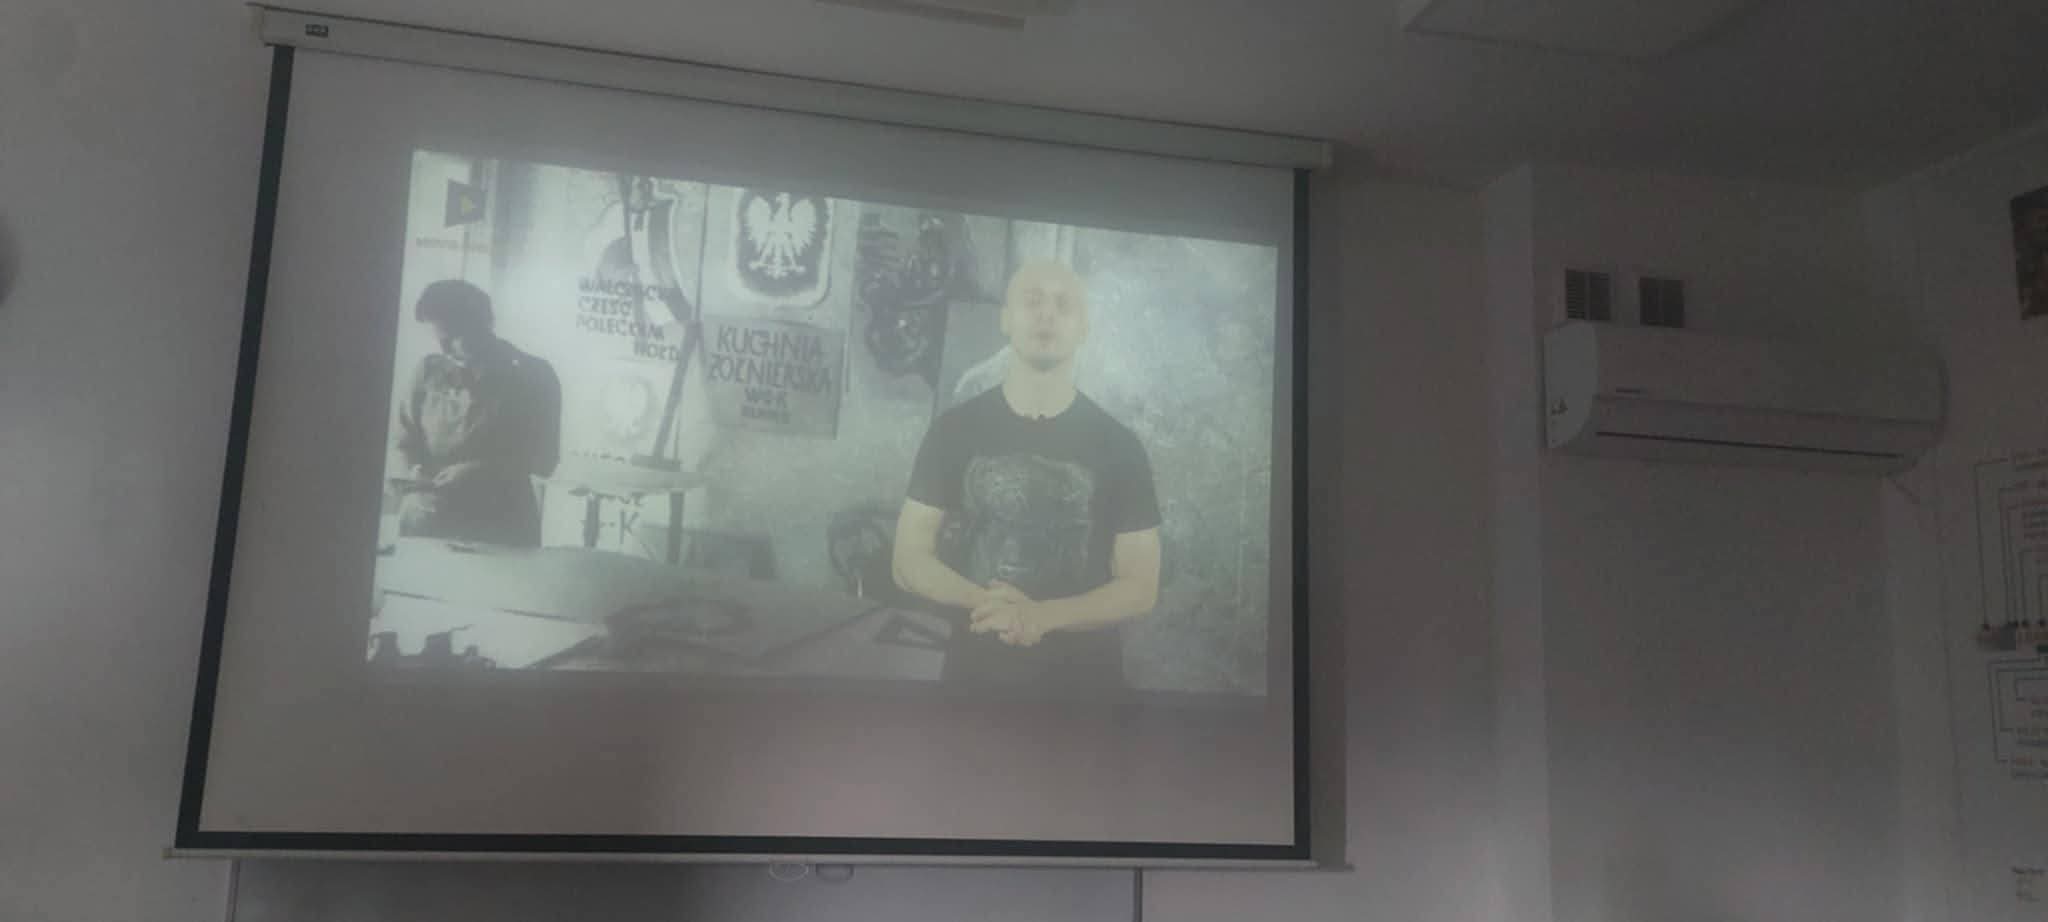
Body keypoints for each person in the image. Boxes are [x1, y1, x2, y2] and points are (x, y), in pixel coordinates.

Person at [891, 260, 1163, 688]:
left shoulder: (1120, 446)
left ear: (1083, 327)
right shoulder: (953, 431)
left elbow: (1141, 586)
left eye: (1063, 304)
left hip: (1084, 692)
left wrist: (1043, 616)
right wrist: (988, 605)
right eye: (1032, 301)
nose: (1046, 314)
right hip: (974, 681)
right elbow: (907, 560)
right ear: (1006, 319)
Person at [392, 280, 562, 547]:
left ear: (482, 325)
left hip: (500, 527)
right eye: (439, 339)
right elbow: (404, 442)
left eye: (453, 338)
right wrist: (415, 472)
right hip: (428, 522)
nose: (444, 349)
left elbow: (545, 461)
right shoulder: (428, 371)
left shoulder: (533, 375)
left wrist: (481, 470)